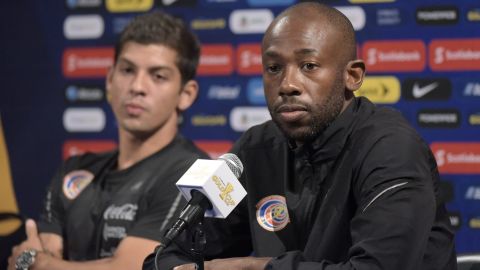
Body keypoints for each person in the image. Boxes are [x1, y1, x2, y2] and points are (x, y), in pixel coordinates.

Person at [145, 2, 457, 270]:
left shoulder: (391, 149)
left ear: (353, 76)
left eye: (308, 66)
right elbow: (169, 256)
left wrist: (259, 267)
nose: (287, 84)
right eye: (273, 67)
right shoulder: (255, 150)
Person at [8, 10, 208, 270]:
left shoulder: (193, 175)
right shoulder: (74, 170)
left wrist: (37, 264)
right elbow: (45, 254)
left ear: (186, 94)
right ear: (110, 79)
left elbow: (133, 267)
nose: (137, 86)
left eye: (158, 76)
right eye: (127, 70)